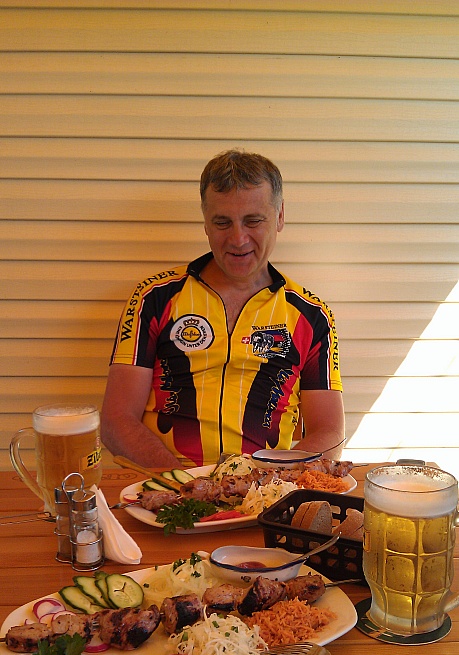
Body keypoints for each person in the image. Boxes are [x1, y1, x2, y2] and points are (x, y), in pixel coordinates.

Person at [101, 149, 345, 468]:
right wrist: (184, 486)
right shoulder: (153, 298)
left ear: (280, 216)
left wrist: (270, 482)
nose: (238, 239)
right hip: (163, 483)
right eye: (222, 222)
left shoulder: (312, 315)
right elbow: (116, 421)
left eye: (253, 221)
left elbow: (329, 432)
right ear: (206, 222)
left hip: (265, 484)